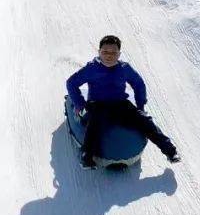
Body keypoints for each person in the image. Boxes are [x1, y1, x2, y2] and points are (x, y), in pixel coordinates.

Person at [66, 35, 180, 169]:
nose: (109, 56)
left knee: (145, 121)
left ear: (119, 54)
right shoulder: (92, 68)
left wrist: (140, 105)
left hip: (120, 104)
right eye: (105, 52)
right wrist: (80, 104)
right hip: (97, 104)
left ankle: (170, 151)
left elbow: (138, 84)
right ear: (99, 52)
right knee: (95, 122)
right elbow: (71, 83)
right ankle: (87, 157)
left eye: (113, 53)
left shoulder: (124, 68)